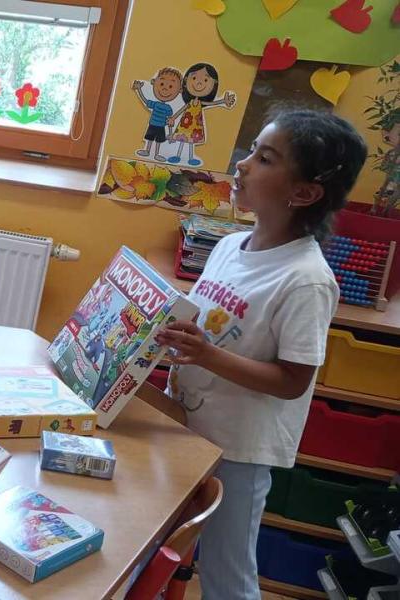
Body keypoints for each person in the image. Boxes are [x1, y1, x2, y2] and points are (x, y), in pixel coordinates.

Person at [156, 109, 368, 599]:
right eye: (252, 149)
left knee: (227, 573)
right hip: (188, 423)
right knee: (163, 539)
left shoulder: (306, 280)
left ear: (304, 193)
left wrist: (206, 355)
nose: (243, 163)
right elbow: (214, 324)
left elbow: (293, 380)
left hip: (239, 450)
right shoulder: (230, 245)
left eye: (265, 158)